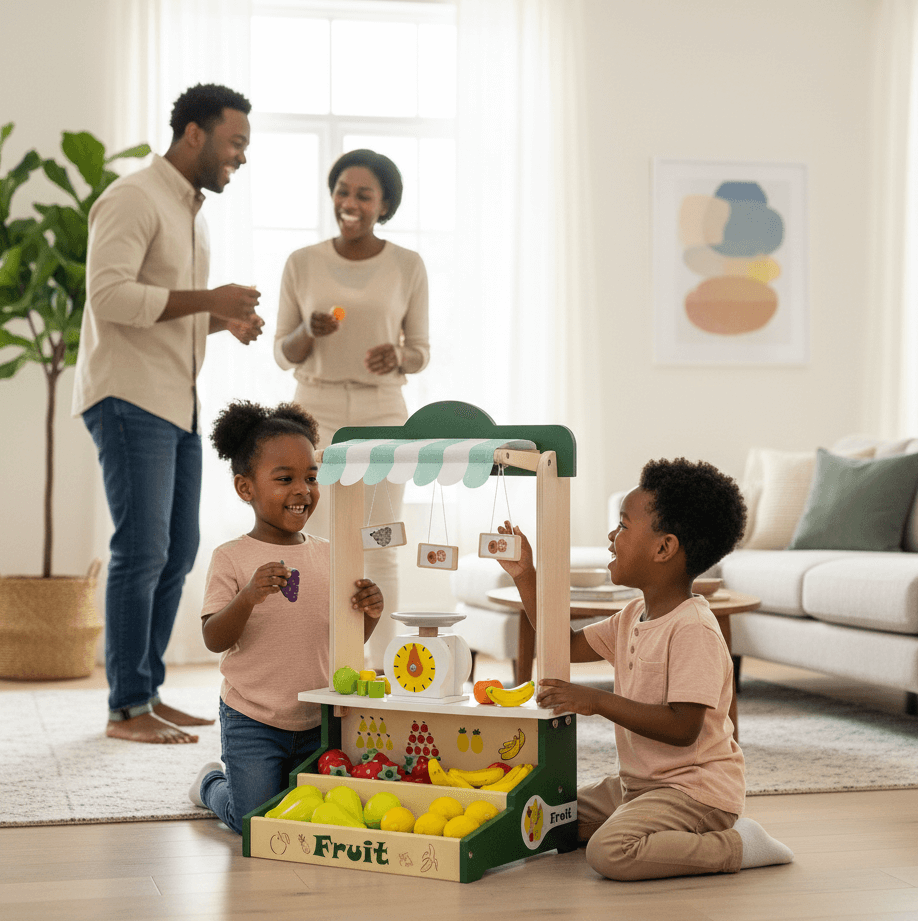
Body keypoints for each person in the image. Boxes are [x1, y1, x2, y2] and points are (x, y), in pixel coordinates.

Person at [72, 83, 265, 744]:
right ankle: (126, 707)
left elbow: (160, 311)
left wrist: (220, 320)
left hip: (175, 401)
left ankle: (145, 693)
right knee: (143, 550)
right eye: (235, 141)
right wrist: (210, 298)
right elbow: (110, 298)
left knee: (177, 550)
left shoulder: (191, 213)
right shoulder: (132, 198)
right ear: (194, 134)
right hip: (130, 397)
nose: (241, 155)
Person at [494, 457, 794, 881]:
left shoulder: (693, 630)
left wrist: (596, 701)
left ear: (663, 548)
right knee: (546, 815)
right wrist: (525, 575)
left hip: (695, 792)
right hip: (638, 786)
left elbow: (683, 727)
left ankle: (738, 845)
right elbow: (565, 644)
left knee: (610, 852)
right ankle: (640, 821)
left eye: (622, 525)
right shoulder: (633, 614)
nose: (611, 536)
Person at [188, 400, 383, 834]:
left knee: (314, 814)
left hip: (319, 719)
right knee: (254, 822)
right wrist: (248, 597)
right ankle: (209, 784)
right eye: (285, 479)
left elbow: (346, 639)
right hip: (252, 718)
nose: (303, 490)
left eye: (311, 478)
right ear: (246, 488)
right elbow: (214, 638)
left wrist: (371, 613)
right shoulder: (231, 557)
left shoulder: (330, 554)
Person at [273, 149, 429, 666]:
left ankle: (381, 670)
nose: (350, 202)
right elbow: (283, 352)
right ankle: (319, 664)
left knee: (379, 544)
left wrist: (399, 356)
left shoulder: (407, 265)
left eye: (364, 194)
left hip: (382, 413)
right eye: (342, 190)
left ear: (384, 205)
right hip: (313, 412)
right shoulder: (302, 262)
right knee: (314, 544)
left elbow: (420, 351)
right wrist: (307, 331)